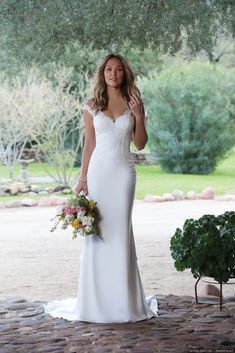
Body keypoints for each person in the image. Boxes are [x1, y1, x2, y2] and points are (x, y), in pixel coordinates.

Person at [44, 53, 158, 323]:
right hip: (99, 174)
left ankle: (123, 304)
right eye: (109, 69)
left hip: (124, 175)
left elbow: (140, 144)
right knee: (98, 235)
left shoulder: (133, 103)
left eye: (118, 69)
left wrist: (139, 117)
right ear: (103, 73)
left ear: (124, 73)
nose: (113, 74)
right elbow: (90, 145)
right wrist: (82, 179)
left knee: (120, 234)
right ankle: (95, 303)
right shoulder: (92, 105)